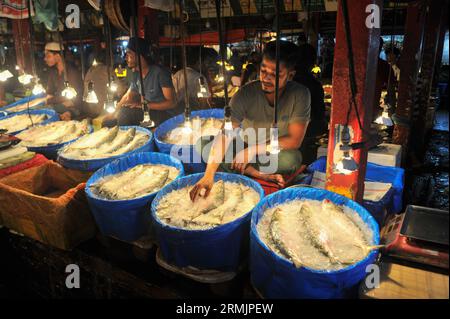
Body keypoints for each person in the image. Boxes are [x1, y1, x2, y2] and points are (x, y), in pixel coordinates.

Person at [190, 40, 311, 201]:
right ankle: (258, 173)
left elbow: (294, 140)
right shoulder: (245, 94)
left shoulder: (301, 95)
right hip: (243, 146)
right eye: (263, 71)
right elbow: (226, 134)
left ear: (290, 75)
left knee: (292, 160)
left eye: (275, 74)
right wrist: (208, 175)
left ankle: (245, 169)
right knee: (202, 144)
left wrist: (253, 150)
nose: (266, 78)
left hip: (273, 151)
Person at [107, 37, 178, 126]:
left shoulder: (159, 73)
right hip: (149, 113)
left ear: (140, 56)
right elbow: (128, 96)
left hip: (165, 115)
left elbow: (172, 103)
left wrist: (144, 105)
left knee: (126, 114)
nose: (126, 58)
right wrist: (113, 113)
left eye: (129, 54)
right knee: (111, 120)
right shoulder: (136, 74)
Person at [293, 43, 327, 165]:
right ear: (312, 62)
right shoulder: (314, 85)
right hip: (307, 137)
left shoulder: (285, 81)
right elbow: (319, 116)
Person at [43, 42, 83, 120]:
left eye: (48, 56)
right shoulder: (53, 72)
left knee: (48, 109)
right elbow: (50, 92)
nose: (45, 59)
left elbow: (74, 98)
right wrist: (49, 99)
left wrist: (50, 100)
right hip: (58, 104)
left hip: (74, 106)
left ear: (58, 56)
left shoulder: (72, 72)